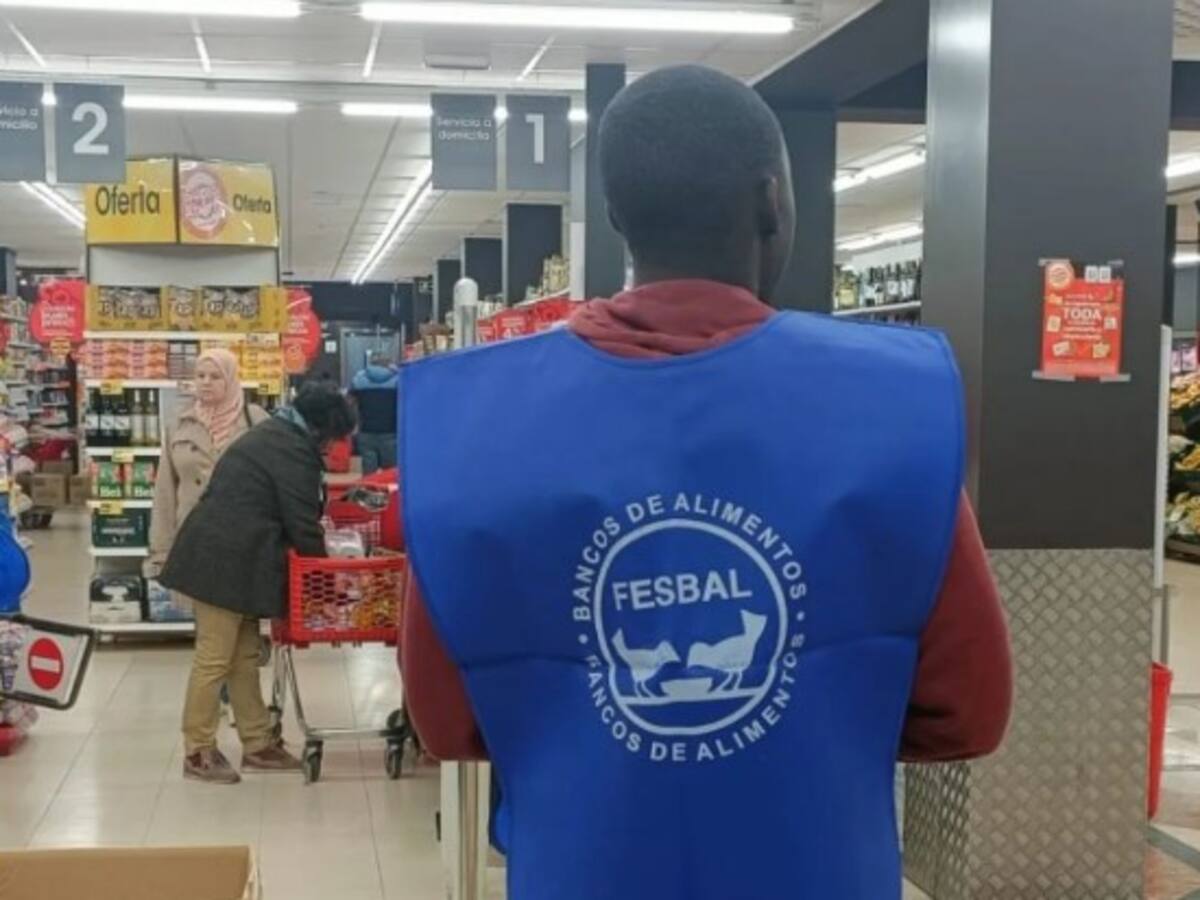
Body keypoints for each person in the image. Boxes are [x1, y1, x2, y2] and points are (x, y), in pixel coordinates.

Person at [399, 66, 1012, 899]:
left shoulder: (477, 427)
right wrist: (816, 723)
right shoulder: (888, 408)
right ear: (772, 203)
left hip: (587, 869)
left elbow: (445, 721)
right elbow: (969, 710)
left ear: (617, 218)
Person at [159, 382, 357, 784]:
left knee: (245, 656)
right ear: (319, 428)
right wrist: (328, 580)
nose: (330, 448)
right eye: (331, 438)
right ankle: (197, 751)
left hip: (239, 560)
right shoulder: (289, 449)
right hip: (220, 560)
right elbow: (302, 523)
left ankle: (257, 742)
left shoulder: (277, 434)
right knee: (215, 656)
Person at [147, 348, 268, 581]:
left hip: (244, 539)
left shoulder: (256, 421)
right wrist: (161, 550)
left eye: (215, 376)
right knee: (196, 601)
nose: (205, 382)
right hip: (191, 538)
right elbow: (165, 491)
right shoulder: (179, 424)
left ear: (230, 379)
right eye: (200, 375)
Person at [349, 349, 399, 474]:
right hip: (390, 432)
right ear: (388, 363)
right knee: (390, 474)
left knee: (369, 475)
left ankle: (369, 487)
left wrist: (354, 427)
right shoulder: (398, 379)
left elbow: (349, 404)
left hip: (366, 432)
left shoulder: (358, 379)